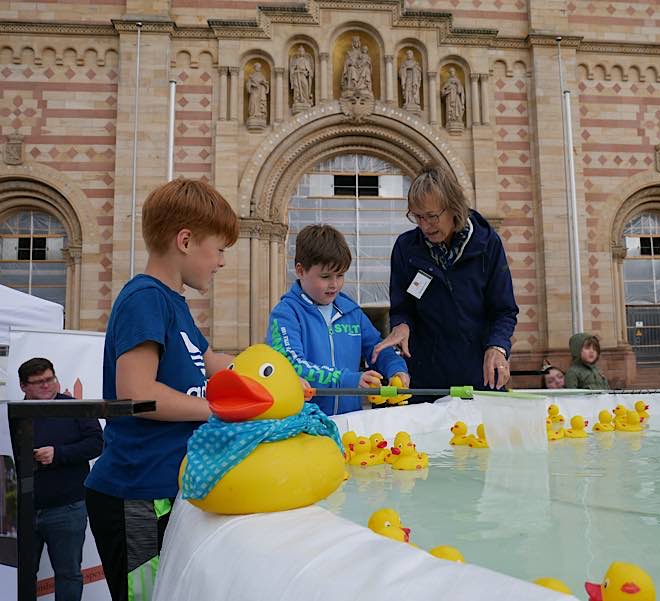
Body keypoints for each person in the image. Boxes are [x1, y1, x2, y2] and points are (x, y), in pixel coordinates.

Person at [84, 179, 239, 601]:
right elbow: (135, 393)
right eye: (220, 249)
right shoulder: (145, 298)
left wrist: (274, 379)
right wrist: (217, 410)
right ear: (186, 241)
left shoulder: (174, 304)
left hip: (163, 490)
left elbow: (216, 363)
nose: (222, 262)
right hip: (136, 495)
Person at [371, 164, 518, 399]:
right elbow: (403, 309)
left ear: (454, 208)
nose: (424, 225)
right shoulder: (405, 249)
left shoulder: (488, 244)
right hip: (427, 383)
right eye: (417, 217)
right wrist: (401, 325)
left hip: (480, 380)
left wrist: (497, 347)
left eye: (431, 216)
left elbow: (504, 311)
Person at [267, 224, 409, 415]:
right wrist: (348, 380)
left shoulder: (351, 312)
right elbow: (291, 365)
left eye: (340, 275)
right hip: (305, 424)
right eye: (325, 276)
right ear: (300, 271)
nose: (334, 284)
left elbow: (378, 349)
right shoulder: (286, 314)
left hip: (349, 422)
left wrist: (396, 370)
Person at [11, 358, 102, 601]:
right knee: (21, 574)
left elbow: (96, 443)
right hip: (23, 508)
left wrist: (58, 454)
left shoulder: (75, 407)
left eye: (50, 379)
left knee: (68, 574)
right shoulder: (13, 414)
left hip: (68, 506)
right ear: (23, 386)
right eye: (38, 382)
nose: (46, 385)